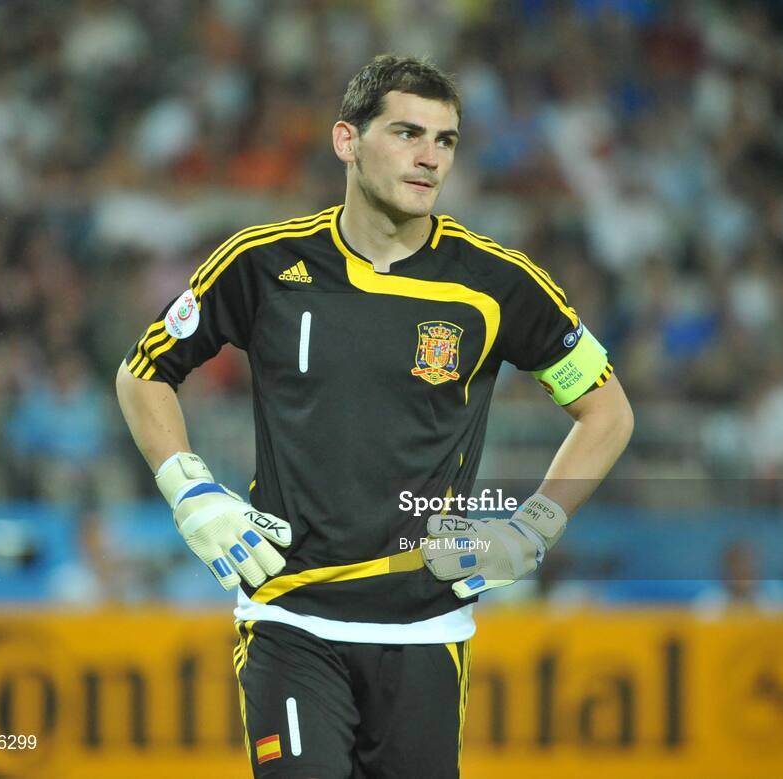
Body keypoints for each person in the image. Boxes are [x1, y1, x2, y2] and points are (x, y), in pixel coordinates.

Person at [116, 54, 633, 779]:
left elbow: (607, 411)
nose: (429, 157)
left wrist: (535, 524)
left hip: (427, 626)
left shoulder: (498, 284)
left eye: (446, 140)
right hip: (290, 618)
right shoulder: (263, 264)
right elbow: (142, 374)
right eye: (406, 132)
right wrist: (190, 488)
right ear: (346, 141)